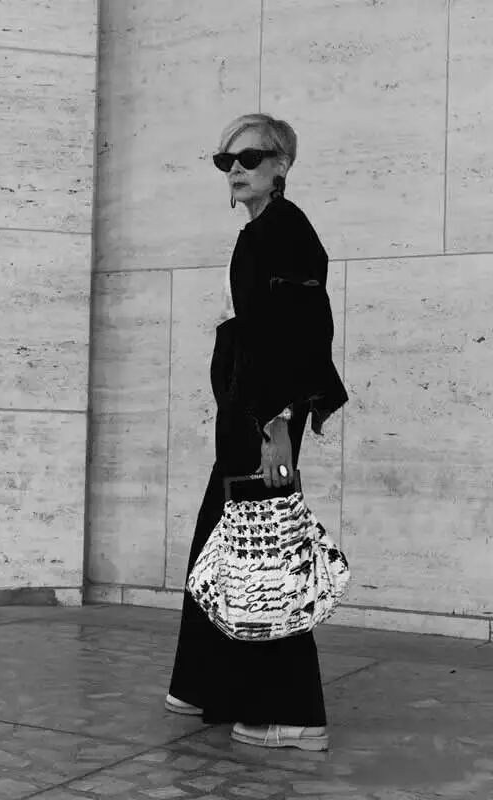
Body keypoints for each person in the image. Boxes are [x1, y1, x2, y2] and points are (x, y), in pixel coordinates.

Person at [165, 113, 348, 750]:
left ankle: (296, 714)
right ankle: (206, 681)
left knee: (266, 557)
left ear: (280, 166)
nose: (236, 170)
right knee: (216, 546)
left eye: (249, 158)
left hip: (262, 423)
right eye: (227, 161)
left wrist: (279, 427)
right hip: (243, 418)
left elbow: (299, 335)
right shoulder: (261, 232)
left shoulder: (284, 232)